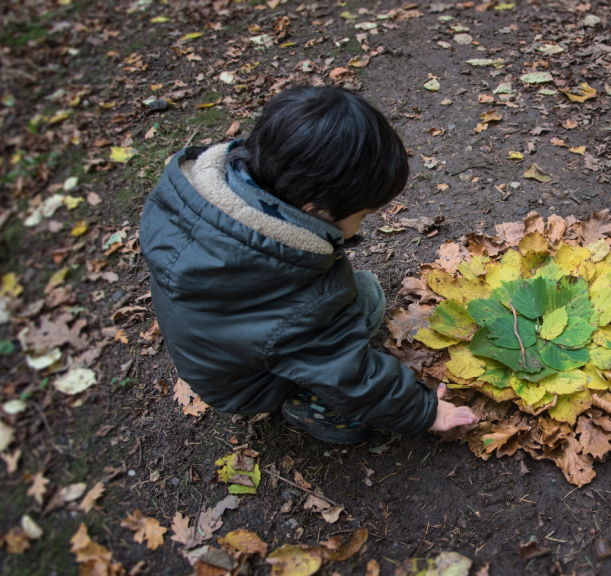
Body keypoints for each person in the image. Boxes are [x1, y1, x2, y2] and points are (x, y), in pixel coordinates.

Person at [139, 86, 476, 443]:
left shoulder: (201, 199)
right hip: (247, 385)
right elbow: (350, 376)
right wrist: (423, 410)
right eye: (362, 214)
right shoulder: (293, 301)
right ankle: (307, 405)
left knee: (359, 293)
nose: (362, 225)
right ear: (314, 209)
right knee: (367, 305)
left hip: (215, 347)